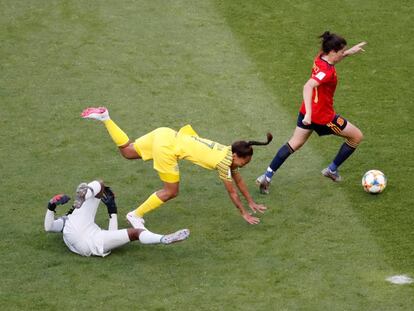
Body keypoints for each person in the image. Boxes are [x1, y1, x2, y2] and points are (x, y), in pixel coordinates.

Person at [81, 107, 272, 226]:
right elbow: (232, 192)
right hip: (167, 147)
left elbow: (237, 178)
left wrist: (251, 201)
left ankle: (106, 118)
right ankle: (135, 215)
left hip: (165, 133)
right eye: (244, 162)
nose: (244, 166)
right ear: (237, 156)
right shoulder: (224, 163)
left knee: (127, 151)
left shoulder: (227, 152)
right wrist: (244, 213)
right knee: (171, 191)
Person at [256, 31, 366, 194]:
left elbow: (330, 64)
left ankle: (267, 176)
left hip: (307, 112)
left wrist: (349, 52)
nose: (343, 53)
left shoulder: (320, 57)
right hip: (323, 118)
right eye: (341, 51)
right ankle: (331, 170)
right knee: (356, 136)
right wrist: (309, 114)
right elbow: (308, 86)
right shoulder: (327, 72)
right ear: (333, 52)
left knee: (295, 143)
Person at [44, 181, 190, 257]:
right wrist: (51, 207)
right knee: (99, 184)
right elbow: (49, 227)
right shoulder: (68, 220)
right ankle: (86, 193)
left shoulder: (69, 222)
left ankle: (164, 238)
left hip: (91, 245)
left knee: (136, 233)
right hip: (87, 243)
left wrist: (112, 211)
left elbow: (111, 235)